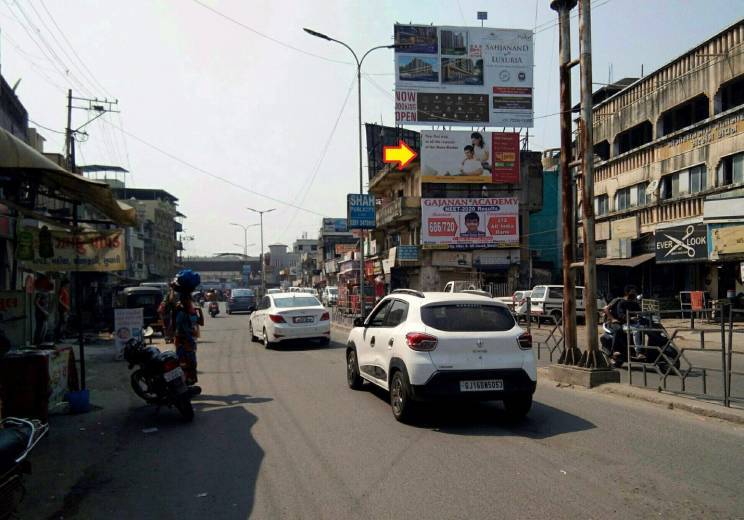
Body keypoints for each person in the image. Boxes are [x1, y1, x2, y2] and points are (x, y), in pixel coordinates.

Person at [605, 285, 643, 359]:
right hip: (616, 321)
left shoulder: (634, 302)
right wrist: (612, 319)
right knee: (618, 329)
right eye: (633, 292)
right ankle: (615, 351)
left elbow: (640, 312)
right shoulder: (618, 300)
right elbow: (606, 309)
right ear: (627, 293)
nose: (635, 294)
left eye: (635, 293)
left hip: (627, 322)